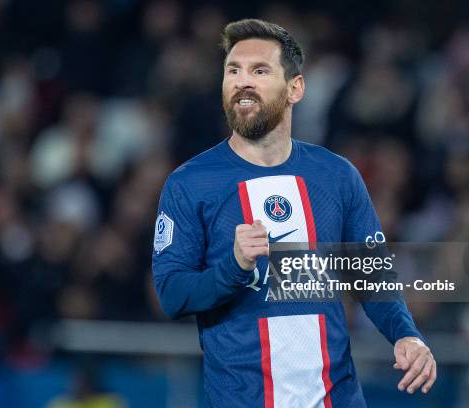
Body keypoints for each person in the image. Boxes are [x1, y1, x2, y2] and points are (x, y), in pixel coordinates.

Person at [152, 18, 436, 407]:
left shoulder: (336, 176)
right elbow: (172, 294)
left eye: (259, 70)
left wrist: (406, 334)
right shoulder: (190, 183)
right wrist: (233, 267)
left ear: (295, 88)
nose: (242, 81)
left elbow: (372, 276)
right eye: (233, 70)